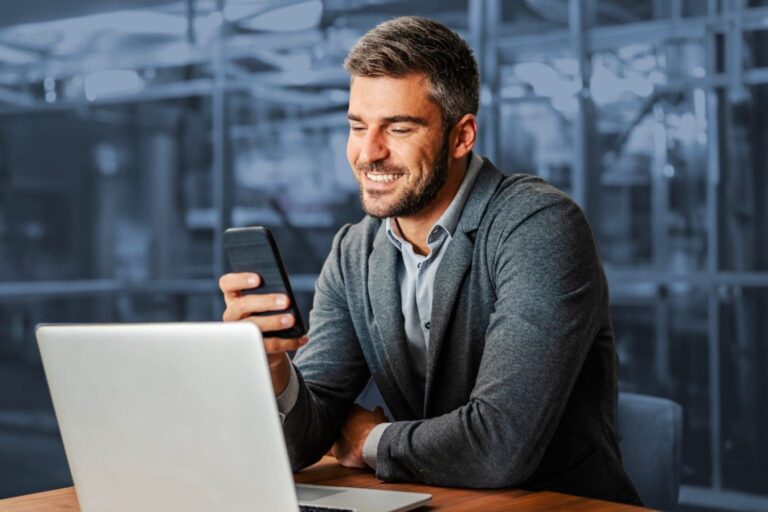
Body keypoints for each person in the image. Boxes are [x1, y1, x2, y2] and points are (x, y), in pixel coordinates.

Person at [219, 16, 641, 505]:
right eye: (358, 126)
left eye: (398, 128)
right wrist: (272, 369)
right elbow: (305, 433)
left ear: (462, 136)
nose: (368, 153)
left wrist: (368, 439)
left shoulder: (539, 225)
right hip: (431, 499)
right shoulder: (355, 250)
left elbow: (500, 445)